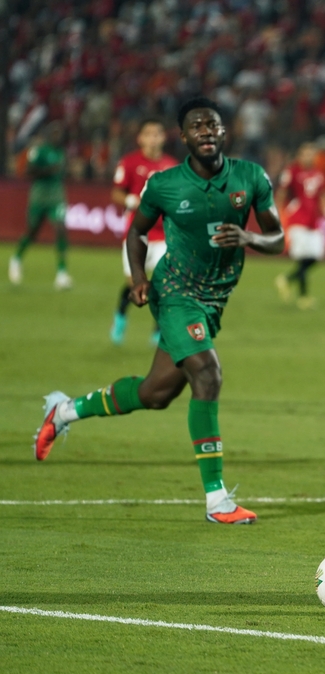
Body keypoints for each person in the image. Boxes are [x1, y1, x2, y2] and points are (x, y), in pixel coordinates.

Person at [34, 97, 285, 524]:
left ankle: (64, 411)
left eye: (213, 124)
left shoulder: (251, 176)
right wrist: (138, 278)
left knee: (155, 393)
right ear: (183, 137)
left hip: (214, 300)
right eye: (196, 126)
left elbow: (276, 238)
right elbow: (136, 233)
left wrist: (248, 238)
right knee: (207, 374)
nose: (206, 131)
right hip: (174, 291)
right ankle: (217, 500)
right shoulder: (164, 184)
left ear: (224, 132)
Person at [109, 118, 179, 345]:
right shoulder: (129, 162)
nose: (153, 139)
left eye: (157, 134)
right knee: (135, 285)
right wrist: (132, 200)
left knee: (164, 284)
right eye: (148, 134)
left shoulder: (172, 166)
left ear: (163, 138)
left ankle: (158, 332)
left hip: (164, 236)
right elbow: (116, 193)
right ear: (140, 138)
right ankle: (121, 316)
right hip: (137, 233)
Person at [9, 121, 71, 290]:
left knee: (60, 229)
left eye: (60, 133)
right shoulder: (39, 151)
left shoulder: (61, 152)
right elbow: (29, 171)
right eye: (55, 133)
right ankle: (16, 258)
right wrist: (49, 170)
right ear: (49, 135)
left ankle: (62, 273)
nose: (58, 136)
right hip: (39, 195)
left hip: (56, 196)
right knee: (32, 231)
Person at [274, 141, 325, 309]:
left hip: (313, 221)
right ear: (299, 155)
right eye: (306, 153)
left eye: (311, 154)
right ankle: (303, 297)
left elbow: (323, 194)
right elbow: (282, 192)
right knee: (304, 258)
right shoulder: (292, 171)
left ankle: (287, 279)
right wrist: (277, 212)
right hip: (297, 218)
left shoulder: (318, 173)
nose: (309, 157)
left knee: (316, 256)